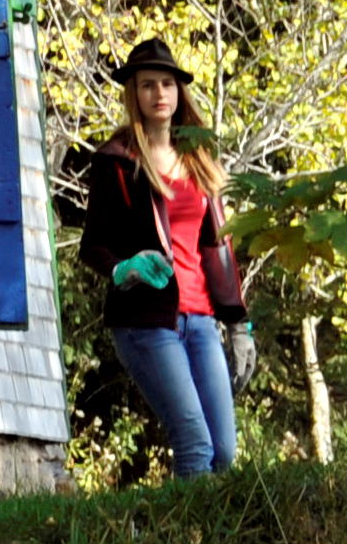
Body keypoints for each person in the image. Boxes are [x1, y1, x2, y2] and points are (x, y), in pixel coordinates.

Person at [75, 37, 249, 475]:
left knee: (224, 453)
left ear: (179, 92)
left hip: (202, 320)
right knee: (194, 445)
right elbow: (92, 244)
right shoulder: (116, 160)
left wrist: (239, 323)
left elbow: (218, 247)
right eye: (148, 84)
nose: (159, 94)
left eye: (167, 84)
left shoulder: (198, 158)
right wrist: (122, 269)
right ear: (133, 92)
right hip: (145, 321)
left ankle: (196, 536)